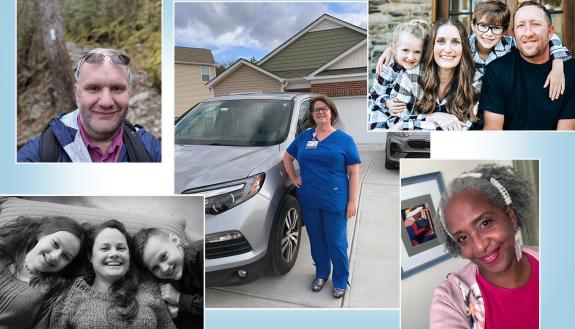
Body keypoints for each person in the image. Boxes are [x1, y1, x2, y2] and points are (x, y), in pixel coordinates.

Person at [430, 164, 538, 329]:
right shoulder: (451, 298)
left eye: (485, 223)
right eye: (463, 238)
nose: (480, 247)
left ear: (510, 217)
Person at [17, 48, 161, 162]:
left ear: (129, 93)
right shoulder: (41, 152)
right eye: (93, 88)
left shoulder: (149, 149)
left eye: (117, 88)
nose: (106, 102)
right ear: (76, 94)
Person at [282, 95, 360, 298]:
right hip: (309, 200)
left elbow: (353, 173)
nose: (320, 112)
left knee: (336, 242)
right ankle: (321, 273)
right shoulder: (306, 137)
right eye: (316, 110)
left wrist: (352, 201)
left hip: (335, 201)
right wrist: (293, 178)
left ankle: (341, 279)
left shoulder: (344, 140)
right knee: (317, 240)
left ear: (331, 112)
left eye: (324, 109)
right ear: (312, 115)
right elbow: (287, 157)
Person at [49, 220, 175, 329]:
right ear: (90, 256)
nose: (114, 254)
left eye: (121, 248)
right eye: (105, 248)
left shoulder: (149, 290)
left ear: (129, 256)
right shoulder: (70, 298)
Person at [480, 1, 575, 130]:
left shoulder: (570, 72)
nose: (528, 33)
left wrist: (558, 63)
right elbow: (493, 133)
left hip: (554, 149)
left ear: (550, 31)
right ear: (514, 33)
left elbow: (564, 137)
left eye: (535, 24)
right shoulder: (497, 71)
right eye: (521, 25)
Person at [389, 18, 480, 130]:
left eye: (455, 42)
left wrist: (411, 122)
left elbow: (462, 129)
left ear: (463, 47)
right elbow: (395, 122)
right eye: (441, 41)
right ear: (432, 46)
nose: (448, 49)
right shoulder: (413, 74)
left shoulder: (474, 80)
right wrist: (433, 117)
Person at [0, 216, 86, 328]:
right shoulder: (4, 252)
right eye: (55, 244)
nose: (55, 256)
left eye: (65, 256)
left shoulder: (52, 293)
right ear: (41, 234)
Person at [132, 228, 203, 329]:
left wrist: (179, 298)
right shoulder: (169, 283)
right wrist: (175, 316)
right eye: (155, 268)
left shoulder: (202, 255)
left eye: (164, 256)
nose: (164, 268)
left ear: (175, 240)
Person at [368, 20, 429, 130]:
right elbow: (373, 95)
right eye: (405, 50)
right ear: (394, 49)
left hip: (405, 114)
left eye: (417, 52)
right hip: (382, 109)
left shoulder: (420, 68)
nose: (410, 57)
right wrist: (387, 103)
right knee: (379, 128)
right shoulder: (386, 68)